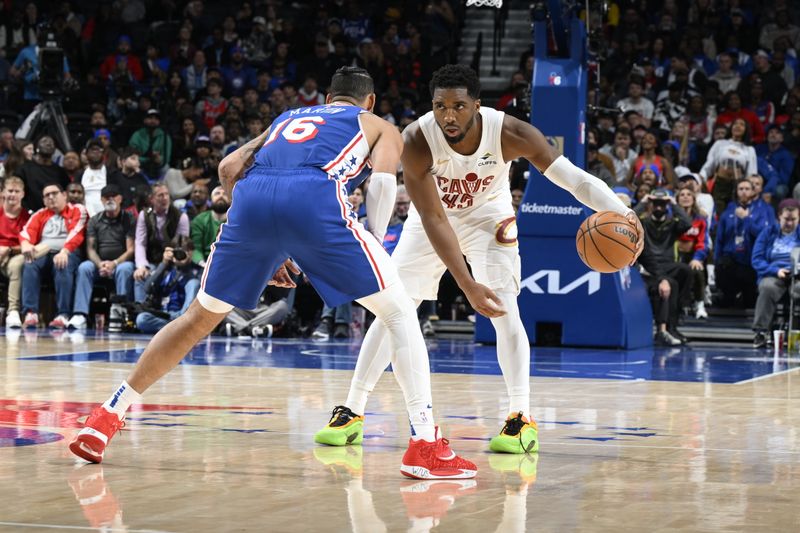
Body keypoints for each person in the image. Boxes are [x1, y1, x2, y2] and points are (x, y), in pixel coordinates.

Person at [69, 66, 477, 479]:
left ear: (326, 100)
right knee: (399, 312)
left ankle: (106, 417)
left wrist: (269, 243)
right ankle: (425, 445)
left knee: (197, 318)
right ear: (369, 101)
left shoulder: (287, 119)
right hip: (315, 198)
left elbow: (229, 167)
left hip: (252, 200)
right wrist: (369, 241)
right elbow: (382, 185)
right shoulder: (377, 124)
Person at [313, 65, 643, 454]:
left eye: (458, 106)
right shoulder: (417, 139)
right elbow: (434, 218)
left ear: (477, 106)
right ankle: (352, 410)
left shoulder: (510, 133)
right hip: (431, 218)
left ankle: (520, 417)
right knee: (393, 309)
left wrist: (621, 212)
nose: (448, 116)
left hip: (489, 215)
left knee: (505, 310)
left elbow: (575, 179)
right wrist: (466, 284)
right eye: (440, 106)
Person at [19, 182, 87, 328]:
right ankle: (31, 313)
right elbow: (26, 232)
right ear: (43, 200)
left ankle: (63, 314)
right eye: (46, 195)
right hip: (44, 251)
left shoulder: (77, 210)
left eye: (54, 193)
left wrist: (65, 251)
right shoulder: (40, 214)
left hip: (68, 251)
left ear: (64, 195)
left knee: (62, 263)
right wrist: (26, 244)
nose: (51, 197)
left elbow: (77, 232)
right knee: (30, 263)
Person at [69, 185, 135, 329]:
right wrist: (100, 265)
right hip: (100, 263)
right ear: (101, 199)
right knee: (84, 267)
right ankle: (80, 314)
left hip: (121, 263)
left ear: (120, 198)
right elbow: (90, 249)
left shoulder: (129, 219)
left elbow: (131, 249)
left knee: (125, 269)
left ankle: (121, 312)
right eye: (106, 196)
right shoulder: (94, 220)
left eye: (114, 195)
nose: (110, 199)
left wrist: (114, 263)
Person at [635, 189, 693, 345]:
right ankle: (668, 328)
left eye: (662, 204)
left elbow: (687, 223)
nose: (659, 208)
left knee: (686, 270)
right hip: (649, 263)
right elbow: (630, 220)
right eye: (656, 204)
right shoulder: (644, 222)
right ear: (651, 204)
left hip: (667, 263)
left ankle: (682, 309)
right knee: (671, 284)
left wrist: (673, 203)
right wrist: (643, 202)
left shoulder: (672, 223)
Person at [751, 199, 800, 348]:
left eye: (793, 219)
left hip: (797, 274)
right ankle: (760, 332)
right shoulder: (768, 233)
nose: (789, 223)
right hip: (774, 273)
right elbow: (756, 259)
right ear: (779, 216)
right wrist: (775, 270)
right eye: (786, 219)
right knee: (767, 288)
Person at [133, 183, 190, 302]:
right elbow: (140, 243)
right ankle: (140, 310)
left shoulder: (181, 217)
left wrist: (170, 260)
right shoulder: (144, 215)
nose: (165, 198)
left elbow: (182, 245)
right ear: (152, 199)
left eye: (166, 194)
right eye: (160, 195)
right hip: (151, 260)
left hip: (171, 261)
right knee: (140, 275)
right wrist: (142, 265)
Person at [135, 236, 200, 334]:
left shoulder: (198, 271)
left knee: (194, 283)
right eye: (177, 251)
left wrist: (186, 265)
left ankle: (182, 324)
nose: (180, 254)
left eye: (185, 250)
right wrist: (163, 263)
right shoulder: (166, 270)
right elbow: (147, 289)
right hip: (165, 315)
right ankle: (178, 328)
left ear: (192, 252)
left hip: (185, 315)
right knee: (142, 319)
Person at [0, 177, 31, 328]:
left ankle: (13, 311)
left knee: (16, 266)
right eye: (10, 191)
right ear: (3, 192)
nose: (13, 194)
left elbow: (29, 243)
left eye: (16, 191)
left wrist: (10, 250)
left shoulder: (27, 217)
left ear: (22, 194)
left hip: (15, 254)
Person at [16, 136, 69, 212]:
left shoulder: (60, 172)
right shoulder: (24, 169)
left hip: (55, 213)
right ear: (37, 147)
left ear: (55, 150)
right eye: (44, 141)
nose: (48, 143)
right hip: (29, 213)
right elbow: (17, 192)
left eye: (51, 143)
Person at [190, 186, 229, 266]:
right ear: (210, 200)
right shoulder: (199, 220)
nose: (221, 196)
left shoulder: (237, 221)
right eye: (217, 193)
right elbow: (196, 249)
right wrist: (203, 264)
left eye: (225, 194)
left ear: (231, 200)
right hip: (205, 263)